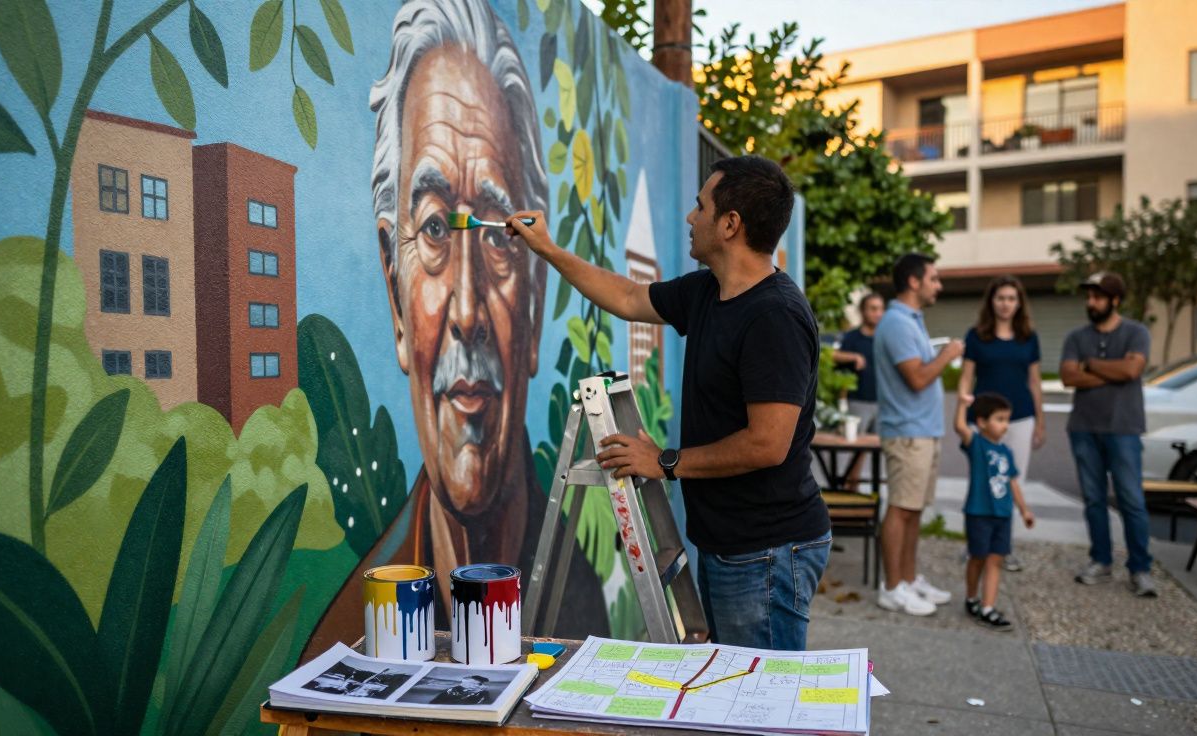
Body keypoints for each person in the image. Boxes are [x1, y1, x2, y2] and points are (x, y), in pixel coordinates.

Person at [305, 0, 605, 657]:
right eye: (436, 228)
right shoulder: (339, 649)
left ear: (533, 302)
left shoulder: (590, 616)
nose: (467, 312)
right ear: (394, 293)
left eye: (499, 236)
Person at [507, 155, 830, 651]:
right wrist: (547, 250)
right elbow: (629, 296)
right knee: (733, 698)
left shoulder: (773, 317)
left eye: (700, 206)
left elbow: (768, 444)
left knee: (759, 710)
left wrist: (666, 462)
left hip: (767, 553)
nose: (689, 217)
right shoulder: (708, 292)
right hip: (732, 545)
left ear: (729, 224)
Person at [874, 253, 963, 617]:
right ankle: (892, 587)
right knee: (900, 509)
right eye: (934, 279)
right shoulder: (896, 323)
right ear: (914, 281)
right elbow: (918, 377)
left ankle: (908, 580)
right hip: (908, 433)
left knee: (913, 511)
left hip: (923, 432)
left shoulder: (911, 320)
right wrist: (949, 354)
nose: (938, 286)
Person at [1060, 272, 1157, 597]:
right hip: (1084, 428)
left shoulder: (1136, 332)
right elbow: (1068, 377)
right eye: (1089, 296)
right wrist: (1112, 372)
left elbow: (1132, 370)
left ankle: (1140, 569)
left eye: (1098, 297)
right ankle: (1101, 561)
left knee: (1131, 500)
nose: (1091, 302)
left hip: (1123, 429)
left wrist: (1090, 366)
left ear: (1115, 300)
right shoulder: (1076, 336)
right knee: (1093, 500)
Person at [957, 275, 1045, 572]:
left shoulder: (1028, 337)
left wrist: (1041, 421)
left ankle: (1003, 548)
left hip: (1020, 417)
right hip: (982, 420)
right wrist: (963, 406)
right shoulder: (976, 335)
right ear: (991, 302)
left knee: (1010, 482)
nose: (1005, 304)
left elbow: (1035, 381)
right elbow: (967, 376)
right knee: (982, 481)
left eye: (1011, 298)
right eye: (1000, 298)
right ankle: (975, 546)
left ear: (1019, 303)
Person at [954, 393, 1035, 631]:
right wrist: (961, 404)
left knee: (996, 560)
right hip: (979, 513)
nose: (1005, 425)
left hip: (1003, 515)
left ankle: (988, 607)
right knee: (977, 558)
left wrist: (1024, 510)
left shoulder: (1006, 452)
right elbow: (959, 426)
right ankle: (972, 598)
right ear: (982, 422)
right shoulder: (976, 444)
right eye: (999, 419)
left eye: (1007, 420)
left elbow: (1013, 482)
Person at [834, 292, 885, 432]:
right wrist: (854, 357)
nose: (878, 313)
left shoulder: (886, 337)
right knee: (858, 449)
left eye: (881, 309)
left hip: (884, 402)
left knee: (882, 449)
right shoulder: (851, 337)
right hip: (858, 402)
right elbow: (832, 355)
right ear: (863, 311)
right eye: (873, 309)